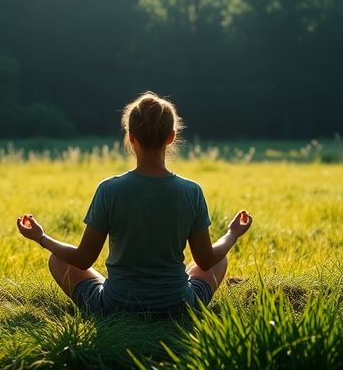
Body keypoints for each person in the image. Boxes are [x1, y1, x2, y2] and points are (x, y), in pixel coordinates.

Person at [16, 92, 253, 317]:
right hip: (178, 306)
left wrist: (42, 237)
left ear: (131, 137)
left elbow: (82, 259)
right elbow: (206, 260)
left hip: (115, 306)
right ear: (171, 137)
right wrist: (232, 233)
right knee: (219, 257)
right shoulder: (191, 191)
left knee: (57, 259)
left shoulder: (109, 190)